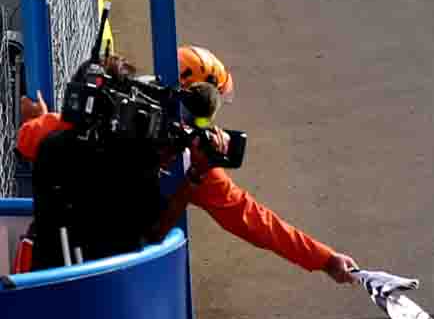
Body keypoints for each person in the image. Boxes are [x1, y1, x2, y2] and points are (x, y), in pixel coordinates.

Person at [13, 52, 355, 281]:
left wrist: (39, 120)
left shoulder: (78, 126)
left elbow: (29, 140)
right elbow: (252, 219)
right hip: (115, 280)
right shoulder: (194, 159)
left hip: (44, 272)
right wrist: (324, 259)